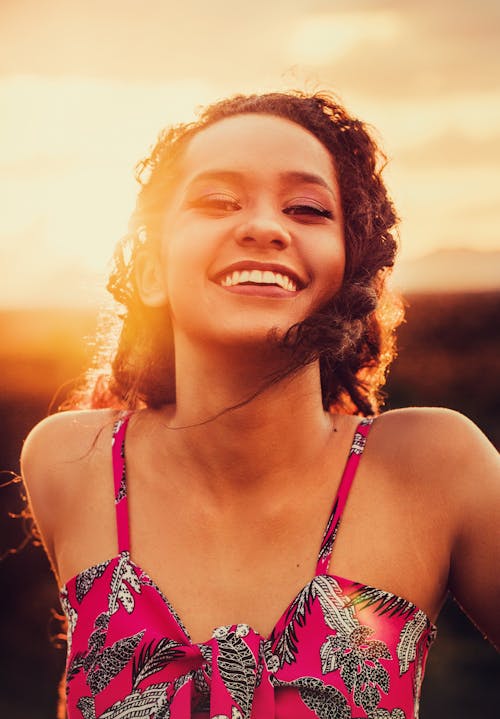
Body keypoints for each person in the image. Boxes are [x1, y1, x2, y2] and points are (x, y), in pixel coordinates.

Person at [21, 91, 499, 719]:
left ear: (353, 274)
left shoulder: (434, 468)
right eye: (218, 200)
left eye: (307, 208)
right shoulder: (68, 463)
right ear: (150, 270)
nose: (264, 227)